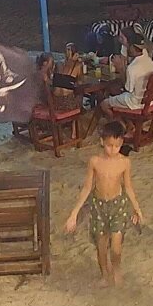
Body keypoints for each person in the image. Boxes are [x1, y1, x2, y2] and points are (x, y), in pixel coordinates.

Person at [64, 120, 145, 287]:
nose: (113, 149)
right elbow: (87, 187)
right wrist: (74, 214)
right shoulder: (94, 161)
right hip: (98, 206)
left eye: (117, 146)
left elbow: (128, 187)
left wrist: (137, 209)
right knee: (101, 247)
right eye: (109, 145)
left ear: (122, 143)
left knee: (116, 247)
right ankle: (104, 275)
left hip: (118, 205)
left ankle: (116, 270)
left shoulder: (124, 162)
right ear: (102, 142)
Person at [100, 30, 153, 115]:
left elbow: (127, 88)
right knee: (114, 89)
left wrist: (120, 68)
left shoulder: (132, 68)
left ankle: (117, 122)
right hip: (149, 100)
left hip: (135, 102)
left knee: (104, 104)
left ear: (132, 47)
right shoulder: (150, 61)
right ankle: (124, 121)